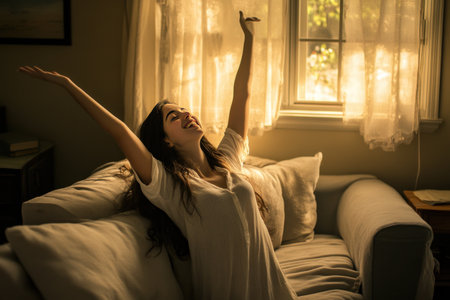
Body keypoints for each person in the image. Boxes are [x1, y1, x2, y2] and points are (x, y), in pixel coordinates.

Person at [19, 11, 297, 300]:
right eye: (173, 117)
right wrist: (68, 84)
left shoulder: (228, 159)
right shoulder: (169, 186)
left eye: (185, 110)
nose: (186, 114)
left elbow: (243, 94)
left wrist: (249, 39)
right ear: (165, 141)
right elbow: (120, 133)